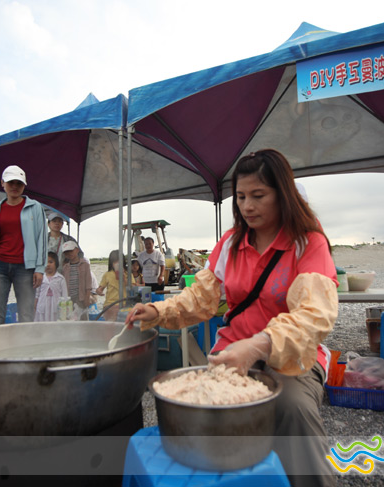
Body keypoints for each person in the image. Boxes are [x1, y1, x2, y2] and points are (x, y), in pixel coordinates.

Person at [126, 149, 338, 487]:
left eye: (258, 195)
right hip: (232, 348)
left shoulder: (307, 242)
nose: (247, 206)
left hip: (292, 357)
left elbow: (314, 315)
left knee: (291, 408)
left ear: (283, 194)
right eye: (241, 197)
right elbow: (201, 297)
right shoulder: (230, 243)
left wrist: (259, 345)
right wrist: (158, 311)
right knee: (207, 408)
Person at [0, 166, 46, 325]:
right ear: (2, 183)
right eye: (11, 183)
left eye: (19, 183)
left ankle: (25, 341)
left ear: (24, 185)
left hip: (25, 267)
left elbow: (41, 239)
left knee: (26, 314)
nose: (15, 186)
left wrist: (39, 268)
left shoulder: (35, 208)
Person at [96, 250, 134, 321]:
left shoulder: (128, 274)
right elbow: (100, 288)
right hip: (110, 304)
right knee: (112, 322)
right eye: (115, 262)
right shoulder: (107, 274)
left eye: (119, 262)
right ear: (111, 263)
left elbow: (133, 288)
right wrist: (99, 291)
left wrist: (124, 278)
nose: (117, 264)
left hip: (125, 303)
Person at [61, 241, 93, 320]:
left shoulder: (85, 265)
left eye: (71, 251)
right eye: (66, 252)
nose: (69, 254)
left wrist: (87, 297)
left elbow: (88, 283)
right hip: (69, 299)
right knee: (69, 319)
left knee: (83, 320)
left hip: (81, 298)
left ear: (77, 250)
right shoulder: (65, 267)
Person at [34, 252, 68, 322]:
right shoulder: (41, 278)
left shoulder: (60, 278)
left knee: (55, 323)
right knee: (42, 324)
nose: (48, 265)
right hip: (43, 306)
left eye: (51, 262)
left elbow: (65, 295)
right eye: (46, 262)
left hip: (56, 307)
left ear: (56, 264)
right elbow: (37, 294)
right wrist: (35, 306)